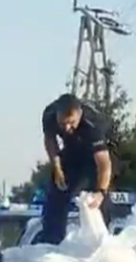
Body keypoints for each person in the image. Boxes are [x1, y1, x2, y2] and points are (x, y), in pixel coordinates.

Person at [39, 93, 115, 245]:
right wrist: (57, 168)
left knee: (98, 199)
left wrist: (101, 192)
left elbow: (104, 164)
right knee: (56, 194)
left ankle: (101, 239)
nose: (67, 128)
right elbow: (50, 141)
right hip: (70, 152)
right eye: (62, 123)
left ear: (79, 114)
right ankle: (51, 240)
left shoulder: (93, 123)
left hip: (93, 156)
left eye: (71, 123)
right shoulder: (49, 114)